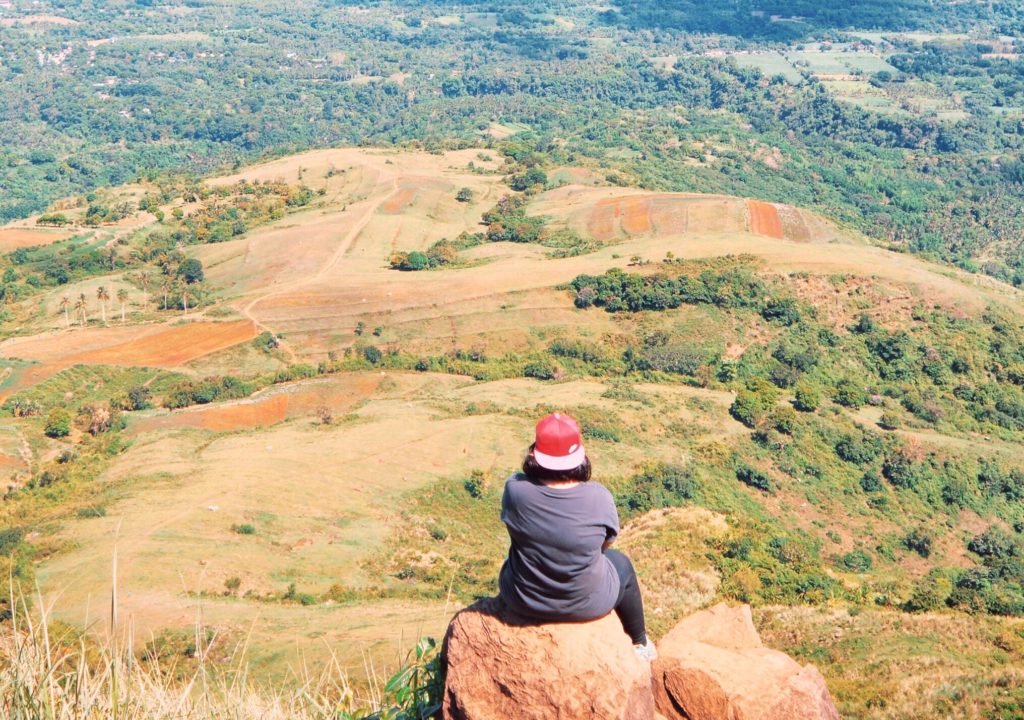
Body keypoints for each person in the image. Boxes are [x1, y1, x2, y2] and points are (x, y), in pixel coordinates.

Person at [498, 411, 657, 661]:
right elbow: (605, 544)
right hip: (588, 603)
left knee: (512, 559)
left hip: (523, 599)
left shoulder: (515, 491)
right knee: (622, 563)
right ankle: (639, 642)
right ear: (580, 457)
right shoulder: (599, 497)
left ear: (534, 454)